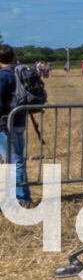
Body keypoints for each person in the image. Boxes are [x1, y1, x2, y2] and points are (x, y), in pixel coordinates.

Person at [0, 45, 32, 204]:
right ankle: (24, 194)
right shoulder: (18, 72)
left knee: (14, 161)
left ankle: (21, 198)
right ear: (13, 57)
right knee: (17, 159)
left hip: (5, 124)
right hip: (19, 120)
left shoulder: (3, 76)